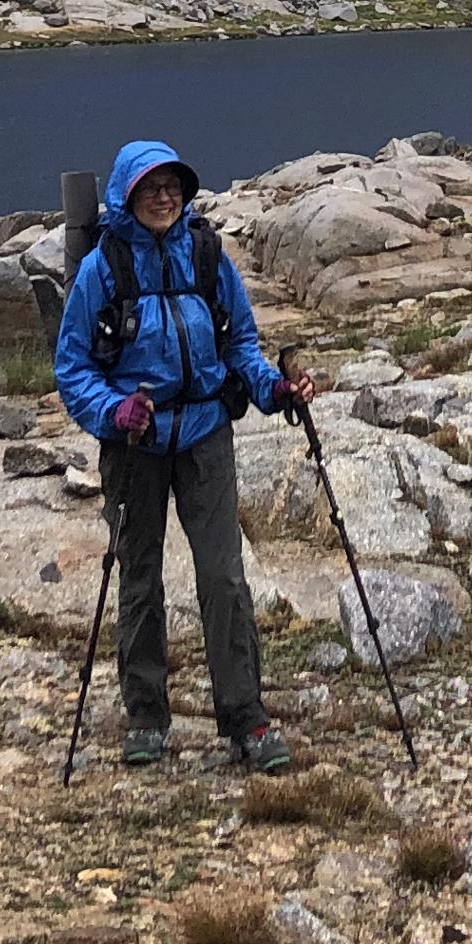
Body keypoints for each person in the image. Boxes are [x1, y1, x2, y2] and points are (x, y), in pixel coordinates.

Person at [52, 137, 316, 772]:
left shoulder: (206, 255)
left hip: (203, 434)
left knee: (224, 576)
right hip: (135, 446)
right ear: (125, 197)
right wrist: (115, 412)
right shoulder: (103, 269)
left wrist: (273, 389)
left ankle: (246, 719)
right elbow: (73, 366)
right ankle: (146, 717)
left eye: (172, 186)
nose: (164, 197)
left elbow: (242, 344)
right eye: (150, 188)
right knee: (140, 579)